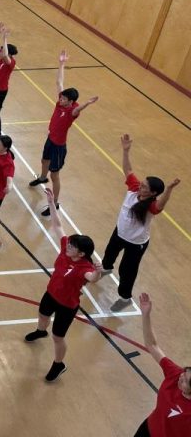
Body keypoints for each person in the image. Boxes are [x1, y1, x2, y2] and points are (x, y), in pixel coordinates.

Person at [24, 188, 102, 382]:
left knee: (58, 337)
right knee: (42, 315)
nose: (68, 245)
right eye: (69, 243)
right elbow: (57, 225)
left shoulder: (84, 267)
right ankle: (41, 331)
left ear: (81, 254)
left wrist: (99, 271)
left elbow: (92, 278)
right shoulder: (66, 250)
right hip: (50, 293)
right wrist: (52, 203)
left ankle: (58, 364)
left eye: (72, 246)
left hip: (67, 305)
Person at [102, 134, 180, 312]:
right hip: (119, 232)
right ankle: (105, 269)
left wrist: (168, 189)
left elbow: (161, 204)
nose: (141, 186)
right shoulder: (134, 188)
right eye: (142, 183)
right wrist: (126, 151)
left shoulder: (151, 206)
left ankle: (125, 298)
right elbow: (128, 169)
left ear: (153, 193)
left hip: (135, 243)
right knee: (109, 254)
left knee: (126, 270)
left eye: (145, 187)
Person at [29, 50, 99, 216]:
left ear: (71, 102)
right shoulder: (61, 103)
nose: (60, 99)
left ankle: (55, 203)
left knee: (55, 175)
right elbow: (59, 82)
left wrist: (87, 103)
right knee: (44, 160)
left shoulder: (72, 111)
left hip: (59, 147)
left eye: (64, 99)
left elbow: (78, 110)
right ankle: (42, 177)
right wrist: (61, 63)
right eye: (61, 97)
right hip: (50, 139)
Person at [133, 292, 191, 436]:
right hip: (147, 429)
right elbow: (152, 345)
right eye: (185, 372)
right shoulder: (175, 374)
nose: (181, 376)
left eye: (185, 380)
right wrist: (146, 315)